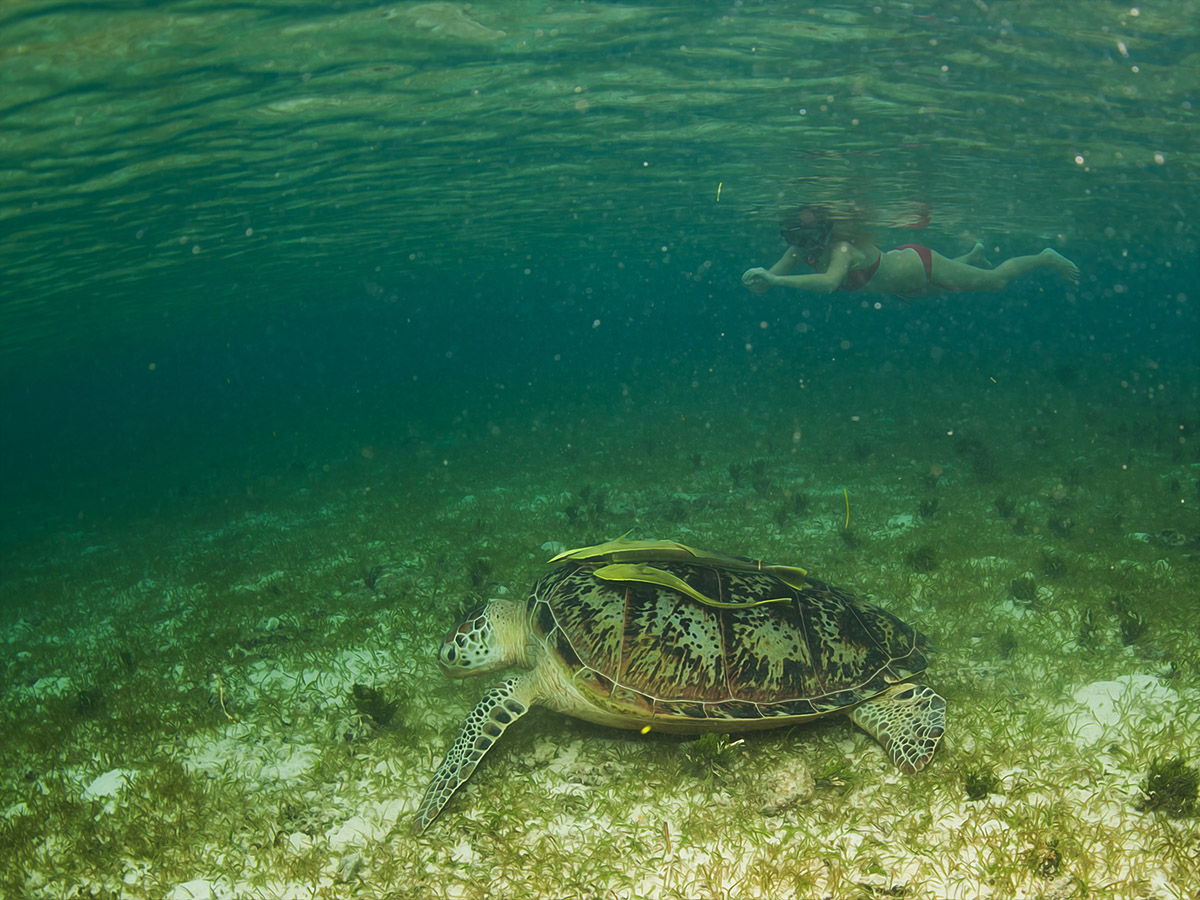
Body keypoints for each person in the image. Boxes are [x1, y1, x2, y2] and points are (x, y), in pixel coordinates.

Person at [741, 206, 1079, 299]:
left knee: (996, 281)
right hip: (903, 284)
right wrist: (762, 281)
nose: (800, 246)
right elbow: (770, 279)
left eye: (808, 237)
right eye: (795, 238)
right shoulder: (800, 253)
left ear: (825, 232)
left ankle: (1044, 256)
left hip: (920, 265)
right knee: (935, 294)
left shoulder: (840, 248)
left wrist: (774, 279)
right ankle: (971, 256)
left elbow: (830, 283)